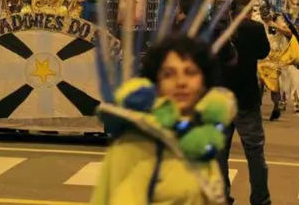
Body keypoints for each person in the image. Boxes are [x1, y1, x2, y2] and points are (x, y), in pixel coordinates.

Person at [92, 34, 237, 204]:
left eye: (190, 72)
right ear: (157, 83)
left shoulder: (201, 139)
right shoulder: (134, 145)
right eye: (169, 74)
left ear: (204, 82)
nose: (181, 82)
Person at [217, 0, 273, 205]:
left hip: (221, 99)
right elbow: (264, 52)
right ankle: (260, 198)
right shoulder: (255, 29)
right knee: (255, 152)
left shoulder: (221, 29)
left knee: (220, 153)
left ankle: (222, 195)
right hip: (247, 99)